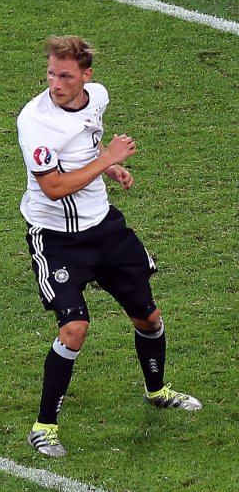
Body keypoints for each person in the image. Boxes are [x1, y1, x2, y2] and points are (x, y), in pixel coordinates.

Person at [17, 35, 202, 457]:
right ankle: (44, 426)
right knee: (74, 327)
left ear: (86, 76)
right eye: (50, 73)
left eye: (65, 75)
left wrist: (110, 165)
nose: (55, 83)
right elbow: (53, 188)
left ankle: (156, 390)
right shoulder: (35, 121)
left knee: (149, 317)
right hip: (57, 239)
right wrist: (107, 159)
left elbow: (87, 139)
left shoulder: (97, 97)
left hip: (106, 229)